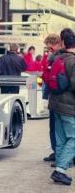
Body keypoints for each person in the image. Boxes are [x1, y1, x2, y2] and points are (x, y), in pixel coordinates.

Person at [48, 28, 75, 186]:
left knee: (60, 138)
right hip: (69, 107)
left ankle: (61, 168)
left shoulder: (55, 57)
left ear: (63, 43)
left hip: (55, 104)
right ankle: (60, 170)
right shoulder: (73, 60)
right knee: (73, 137)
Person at [41, 34, 63, 163]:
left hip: (58, 96)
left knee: (58, 127)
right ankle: (56, 151)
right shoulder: (51, 57)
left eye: (51, 46)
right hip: (53, 96)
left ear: (59, 44)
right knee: (53, 126)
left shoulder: (60, 58)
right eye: (48, 47)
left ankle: (60, 153)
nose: (49, 49)